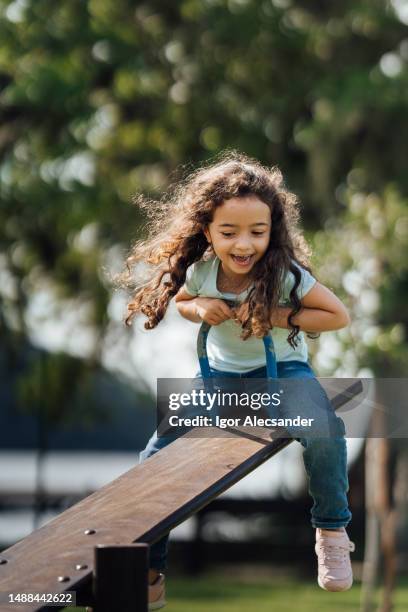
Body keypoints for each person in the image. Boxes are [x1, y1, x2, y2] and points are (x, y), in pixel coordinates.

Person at [124, 152, 355, 610]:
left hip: (283, 373)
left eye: (258, 231)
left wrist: (277, 314)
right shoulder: (203, 271)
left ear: (274, 230)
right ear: (207, 231)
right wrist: (199, 309)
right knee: (154, 457)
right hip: (217, 379)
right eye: (229, 232)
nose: (244, 243)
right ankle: (150, 566)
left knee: (324, 429)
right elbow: (186, 300)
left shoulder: (287, 275)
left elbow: (338, 315)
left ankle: (331, 528)